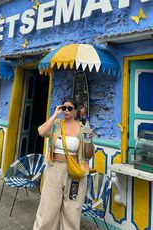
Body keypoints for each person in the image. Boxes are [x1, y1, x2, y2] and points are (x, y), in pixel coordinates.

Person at [33, 98, 94, 230]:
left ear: (76, 110)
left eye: (70, 108)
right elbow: (42, 132)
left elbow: (88, 155)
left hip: (75, 173)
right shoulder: (56, 124)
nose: (66, 110)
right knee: (48, 207)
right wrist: (55, 113)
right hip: (55, 169)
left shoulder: (82, 128)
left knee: (72, 211)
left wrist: (89, 141)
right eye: (64, 108)